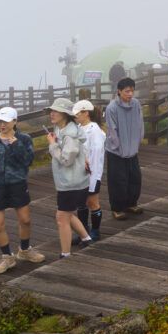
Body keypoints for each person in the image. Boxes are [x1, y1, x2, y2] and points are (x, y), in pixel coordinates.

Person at [0, 107, 45, 274]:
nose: (2, 125)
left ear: (15, 121)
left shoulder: (24, 139)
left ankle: (24, 250)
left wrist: (15, 143)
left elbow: (28, 161)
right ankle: (7, 257)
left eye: (6, 121)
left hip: (17, 183)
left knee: (25, 220)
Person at [46, 98, 93, 257]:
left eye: (56, 111)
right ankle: (86, 238)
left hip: (71, 182)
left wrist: (52, 145)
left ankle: (65, 254)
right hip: (71, 181)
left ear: (65, 114)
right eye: (51, 110)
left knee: (61, 218)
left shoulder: (70, 134)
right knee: (67, 213)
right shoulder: (62, 128)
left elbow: (67, 160)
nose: (51, 113)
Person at [104, 77, 144, 220]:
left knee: (134, 178)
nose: (130, 94)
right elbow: (112, 130)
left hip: (132, 150)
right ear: (119, 92)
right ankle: (117, 208)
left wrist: (137, 142)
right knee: (118, 180)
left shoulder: (136, 104)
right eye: (127, 91)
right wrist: (119, 148)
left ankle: (131, 203)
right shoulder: (112, 108)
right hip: (117, 151)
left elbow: (140, 124)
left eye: (132, 91)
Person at [73, 100, 105, 242]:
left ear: (86, 113)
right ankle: (83, 232)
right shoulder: (78, 127)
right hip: (78, 172)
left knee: (92, 202)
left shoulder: (95, 130)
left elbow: (97, 153)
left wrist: (90, 168)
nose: (75, 116)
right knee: (81, 202)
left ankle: (95, 231)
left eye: (77, 113)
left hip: (91, 172)